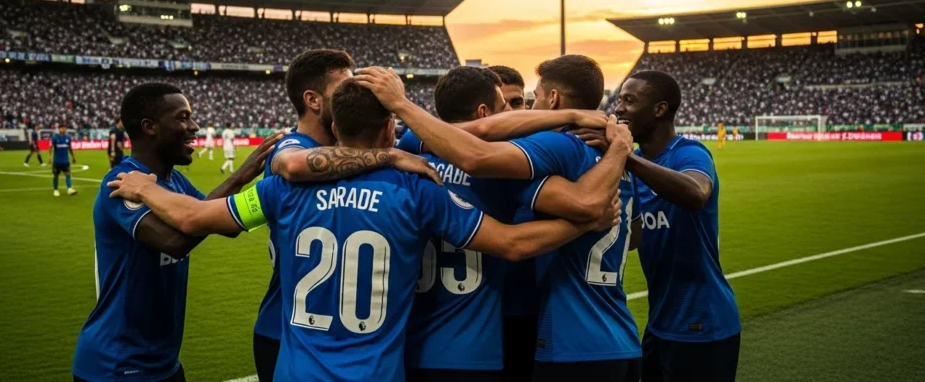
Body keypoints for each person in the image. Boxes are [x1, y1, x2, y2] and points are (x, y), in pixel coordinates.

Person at [105, 79, 603, 382]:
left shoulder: (283, 186)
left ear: (334, 128)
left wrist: (143, 188)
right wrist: (582, 219)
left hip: (296, 373)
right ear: (391, 128)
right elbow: (514, 245)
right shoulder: (416, 189)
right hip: (377, 374)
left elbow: (190, 219)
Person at [356, 56, 644, 382]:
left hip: (410, 344)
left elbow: (474, 134)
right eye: (508, 106)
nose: (517, 113)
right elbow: (588, 207)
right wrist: (616, 154)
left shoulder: (409, 151)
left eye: (524, 102)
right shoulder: (513, 171)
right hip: (494, 344)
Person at [72, 82, 283, 382]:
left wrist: (282, 194)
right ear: (150, 127)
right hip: (116, 365)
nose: (194, 126)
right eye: (183, 118)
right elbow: (175, 242)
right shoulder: (122, 183)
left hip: (164, 363)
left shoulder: (176, 183)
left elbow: (219, 223)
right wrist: (242, 175)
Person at [254, 49, 440, 382]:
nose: (354, 92)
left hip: (340, 328)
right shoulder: (291, 148)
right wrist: (389, 156)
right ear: (312, 100)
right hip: (288, 330)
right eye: (344, 86)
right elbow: (295, 165)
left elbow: (464, 132)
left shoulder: (364, 147)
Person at [614, 71, 741, 382]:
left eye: (630, 101)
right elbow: (633, 239)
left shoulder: (688, 153)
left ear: (659, 109)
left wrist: (627, 160)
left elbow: (696, 193)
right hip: (660, 322)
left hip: (702, 323)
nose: (619, 108)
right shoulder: (638, 162)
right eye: (619, 100)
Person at [486, 64, 536, 382]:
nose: (510, 113)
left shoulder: (543, 155)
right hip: (479, 319)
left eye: (517, 103)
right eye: (502, 104)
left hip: (534, 314)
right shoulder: (447, 157)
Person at [51, 125, 78, 197]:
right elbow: (51, 147)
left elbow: (70, 148)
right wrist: (50, 157)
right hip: (57, 161)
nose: (64, 129)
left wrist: (73, 157)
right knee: (56, 175)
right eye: (62, 128)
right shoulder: (55, 137)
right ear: (59, 129)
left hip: (65, 161)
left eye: (65, 128)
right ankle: (56, 190)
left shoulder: (68, 137)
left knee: (68, 174)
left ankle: (69, 189)